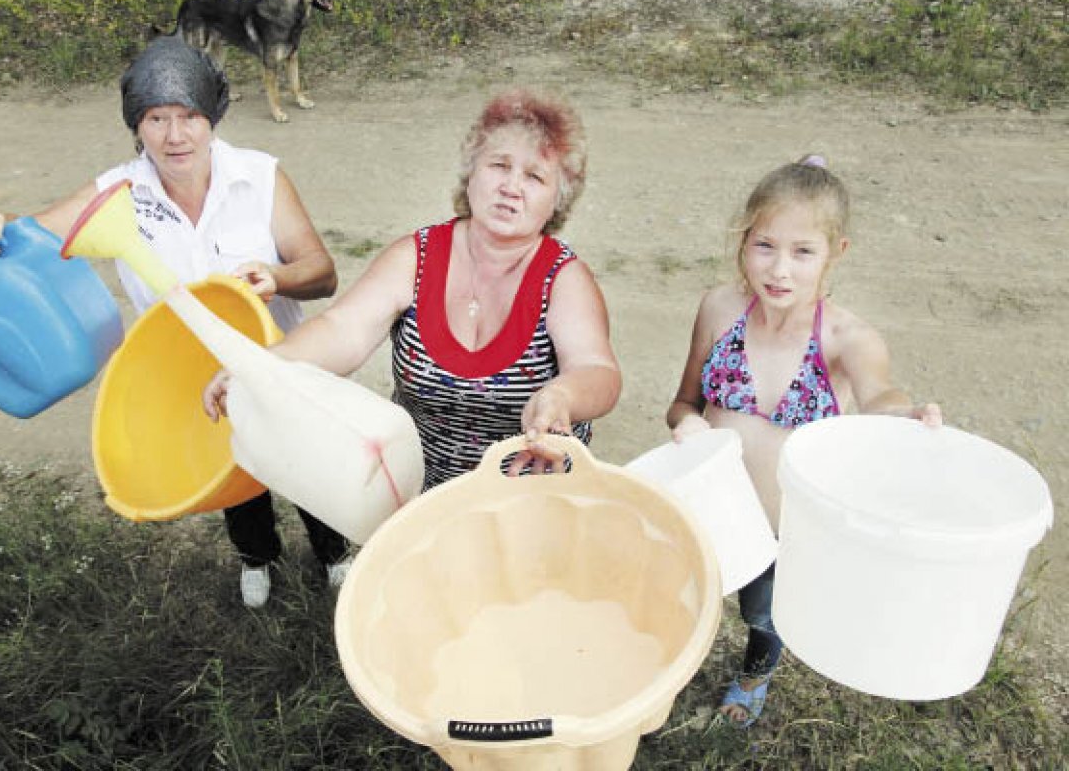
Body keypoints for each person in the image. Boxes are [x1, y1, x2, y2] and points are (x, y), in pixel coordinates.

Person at [0, 36, 350, 608]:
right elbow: (29, 237)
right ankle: (257, 557)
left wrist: (277, 278)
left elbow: (322, 272)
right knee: (233, 471)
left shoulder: (260, 177)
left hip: (279, 355)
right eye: (156, 118)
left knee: (306, 460)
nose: (175, 135)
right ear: (137, 127)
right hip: (193, 370)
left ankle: (334, 552)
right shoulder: (117, 191)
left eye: (189, 116)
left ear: (212, 119)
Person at [204, 88, 622, 494]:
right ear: (471, 172)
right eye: (499, 165)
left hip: (535, 494)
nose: (511, 187)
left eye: (534, 176)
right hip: (424, 494)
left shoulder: (564, 278)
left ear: (557, 200)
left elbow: (597, 370)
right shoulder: (416, 257)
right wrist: (259, 365)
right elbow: (343, 329)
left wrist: (560, 396)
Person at [665, 155, 941, 728]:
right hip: (711, 506)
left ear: (836, 254)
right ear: (743, 240)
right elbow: (683, 399)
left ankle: (755, 673)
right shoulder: (720, 309)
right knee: (685, 597)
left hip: (786, 528)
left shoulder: (846, 337)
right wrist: (686, 422)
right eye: (764, 245)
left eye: (803, 251)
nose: (779, 270)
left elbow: (880, 393)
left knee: (764, 614)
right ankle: (666, 671)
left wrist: (905, 413)